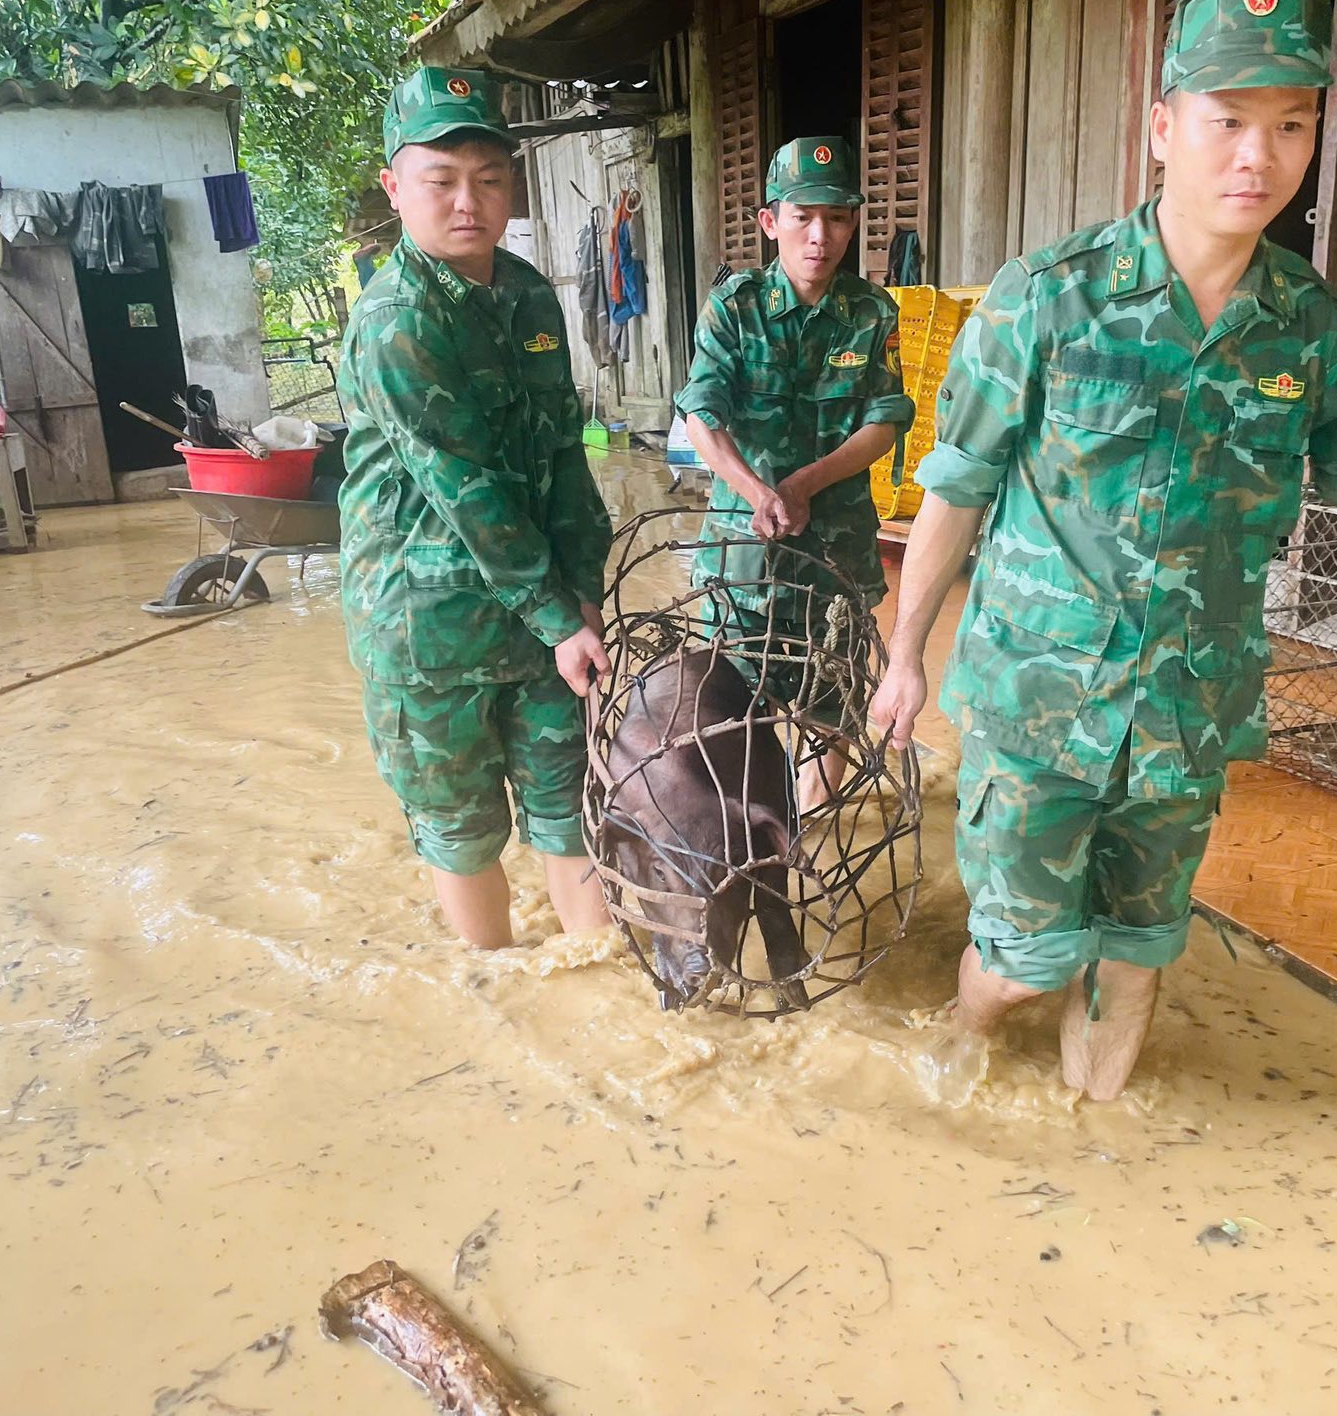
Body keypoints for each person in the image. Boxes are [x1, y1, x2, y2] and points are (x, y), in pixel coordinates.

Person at [869, 0, 1337, 1100]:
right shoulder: (1045, 300)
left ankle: (1093, 1124)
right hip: (1038, 702)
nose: (1254, 157)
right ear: (1163, 128)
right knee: (1024, 959)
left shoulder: (1307, 326)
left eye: (1288, 125)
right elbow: (956, 486)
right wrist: (900, 658)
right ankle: (962, 1049)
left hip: (1188, 705)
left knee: (1134, 959)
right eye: (1225, 123)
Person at [337, 66, 615, 949]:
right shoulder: (395, 321)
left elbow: (565, 452)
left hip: (542, 621)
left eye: (489, 179)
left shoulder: (530, 294)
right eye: (442, 180)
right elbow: (463, 485)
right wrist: (553, 612)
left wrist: (583, 591)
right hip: (428, 629)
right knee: (463, 831)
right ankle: (497, 993)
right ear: (395, 188)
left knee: (572, 806)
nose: (469, 202)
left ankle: (595, 987)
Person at [678, 136, 915, 812]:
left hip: (835, 555)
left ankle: (810, 832)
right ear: (770, 220)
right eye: (804, 216)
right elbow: (700, 411)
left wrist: (803, 485)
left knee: (829, 707)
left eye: (837, 218)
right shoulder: (734, 307)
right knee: (733, 712)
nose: (821, 235)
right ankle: (752, 834)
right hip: (743, 554)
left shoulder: (873, 314)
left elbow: (885, 421)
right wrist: (757, 491)